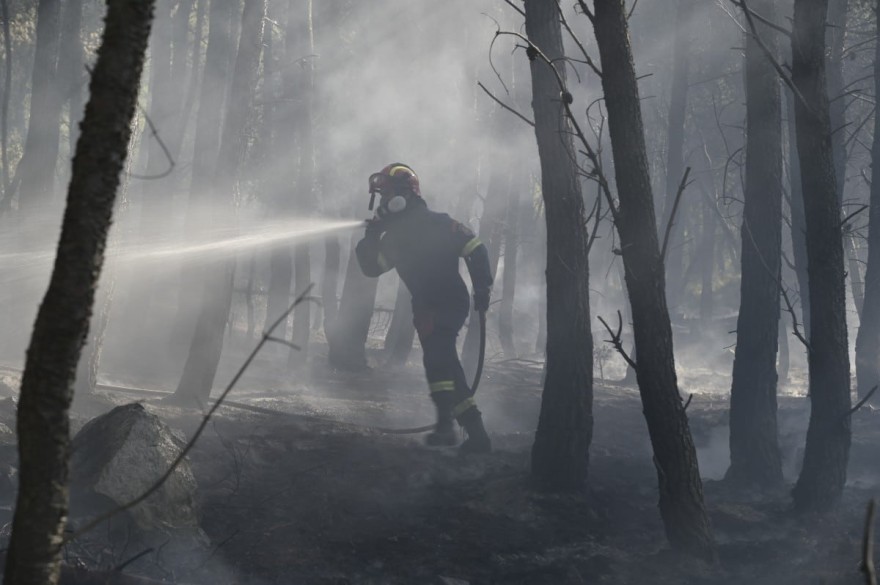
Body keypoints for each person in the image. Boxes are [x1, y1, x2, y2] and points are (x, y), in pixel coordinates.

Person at [356, 163, 493, 454]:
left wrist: (483, 288)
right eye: (381, 196)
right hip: (425, 307)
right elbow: (372, 269)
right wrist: (371, 237)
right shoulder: (394, 239)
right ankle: (476, 433)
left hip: (449, 300)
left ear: (404, 195)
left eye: (387, 195)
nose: (383, 202)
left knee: (438, 357)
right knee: (443, 363)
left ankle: (446, 426)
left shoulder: (438, 223)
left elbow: (476, 247)